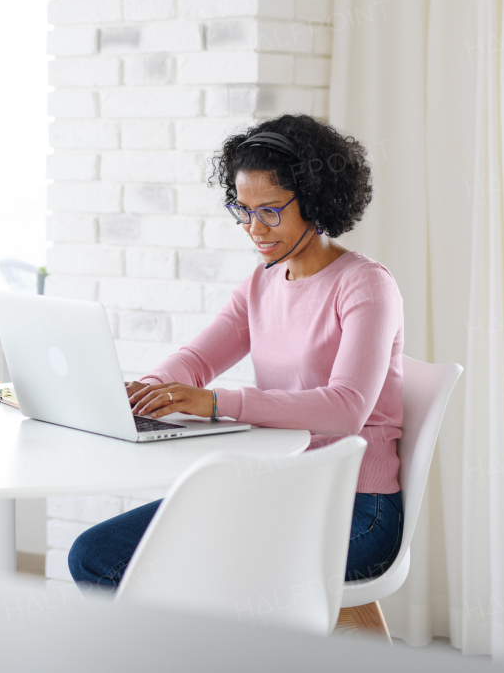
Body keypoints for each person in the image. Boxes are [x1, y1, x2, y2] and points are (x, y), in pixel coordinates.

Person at [67, 114, 405, 594]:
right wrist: (151, 390)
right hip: (278, 488)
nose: (252, 228)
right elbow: (197, 360)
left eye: (269, 211)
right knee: (94, 555)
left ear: (314, 198)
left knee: (166, 573)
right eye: (242, 210)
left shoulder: (365, 284)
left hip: (356, 508)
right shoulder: (261, 283)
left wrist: (214, 403)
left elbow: (347, 408)